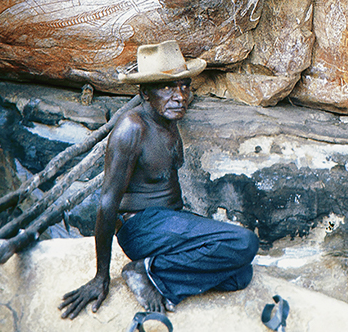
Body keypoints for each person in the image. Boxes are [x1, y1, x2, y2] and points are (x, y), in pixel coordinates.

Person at [59, 40, 259, 319]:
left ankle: (153, 271)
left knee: (241, 275)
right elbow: (106, 204)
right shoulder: (132, 128)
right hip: (141, 227)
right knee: (245, 243)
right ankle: (142, 271)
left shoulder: (169, 116)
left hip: (168, 222)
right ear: (144, 93)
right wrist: (100, 277)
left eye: (185, 86)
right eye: (167, 87)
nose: (180, 96)